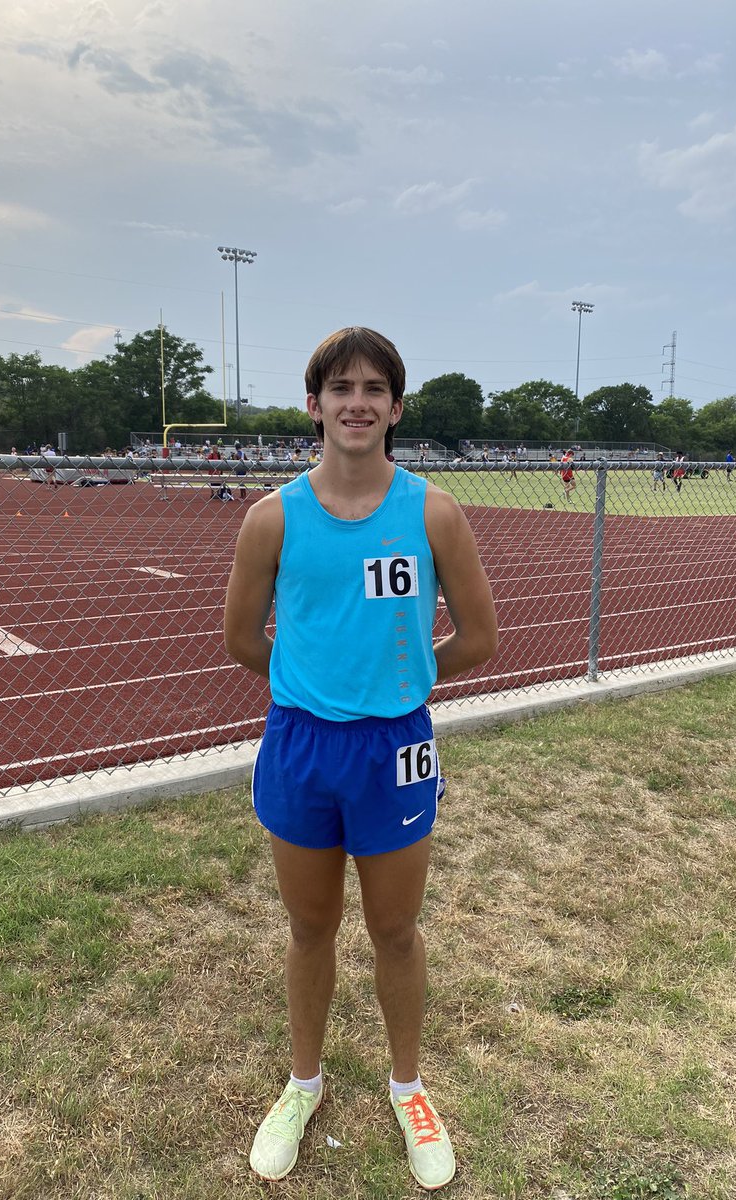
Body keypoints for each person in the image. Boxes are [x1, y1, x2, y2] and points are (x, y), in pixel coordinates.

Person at [224, 327, 498, 1190]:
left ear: (396, 408)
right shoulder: (273, 517)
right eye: (340, 387)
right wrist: (319, 688)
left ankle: (408, 1089)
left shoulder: (432, 512)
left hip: (398, 746)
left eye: (375, 388)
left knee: (395, 930)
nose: (357, 402)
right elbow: (241, 640)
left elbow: (480, 638)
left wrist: (403, 686)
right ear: (314, 405)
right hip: (302, 744)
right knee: (311, 928)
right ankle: (303, 1086)